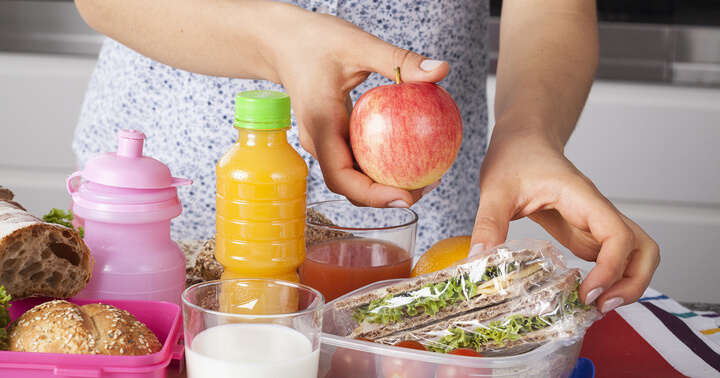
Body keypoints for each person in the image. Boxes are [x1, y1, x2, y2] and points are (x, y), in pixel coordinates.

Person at [72, 0, 659, 314]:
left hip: (421, 220)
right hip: (160, 213)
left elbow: (553, 7)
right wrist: (276, 40)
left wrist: (529, 135)